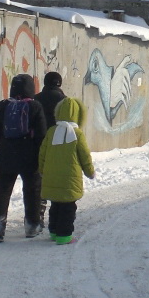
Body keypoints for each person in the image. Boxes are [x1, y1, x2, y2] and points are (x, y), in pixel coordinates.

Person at [0, 73, 48, 242]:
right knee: (32, 191)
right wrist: (44, 160)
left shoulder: (3, 106)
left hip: (5, 155)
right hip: (29, 157)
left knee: (2, 192)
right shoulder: (35, 107)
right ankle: (32, 226)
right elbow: (41, 136)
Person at [39, 97, 96, 245]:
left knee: (55, 205)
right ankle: (64, 236)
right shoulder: (77, 134)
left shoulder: (51, 132)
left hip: (52, 177)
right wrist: (90, 172)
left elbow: (42, 153)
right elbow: (85, 156)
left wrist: (42, 169)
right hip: (69, 179)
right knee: (68, 208)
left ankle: (53, 232)